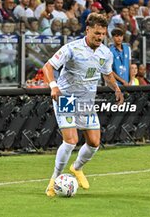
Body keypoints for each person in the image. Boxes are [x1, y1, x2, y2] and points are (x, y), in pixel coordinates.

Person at [42, 13, 124, 197]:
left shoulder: (105, 53)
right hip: (67, 98)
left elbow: (107, 74)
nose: (100, 37)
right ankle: (54, 180)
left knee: (94, 142)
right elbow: (48, 67)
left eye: (103, 34)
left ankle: (76, 168)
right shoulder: (71, 48)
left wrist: (116, 89)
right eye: (97, 33)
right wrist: (53, 86)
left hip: (87, 102)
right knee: (71, 140)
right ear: (87, 30)